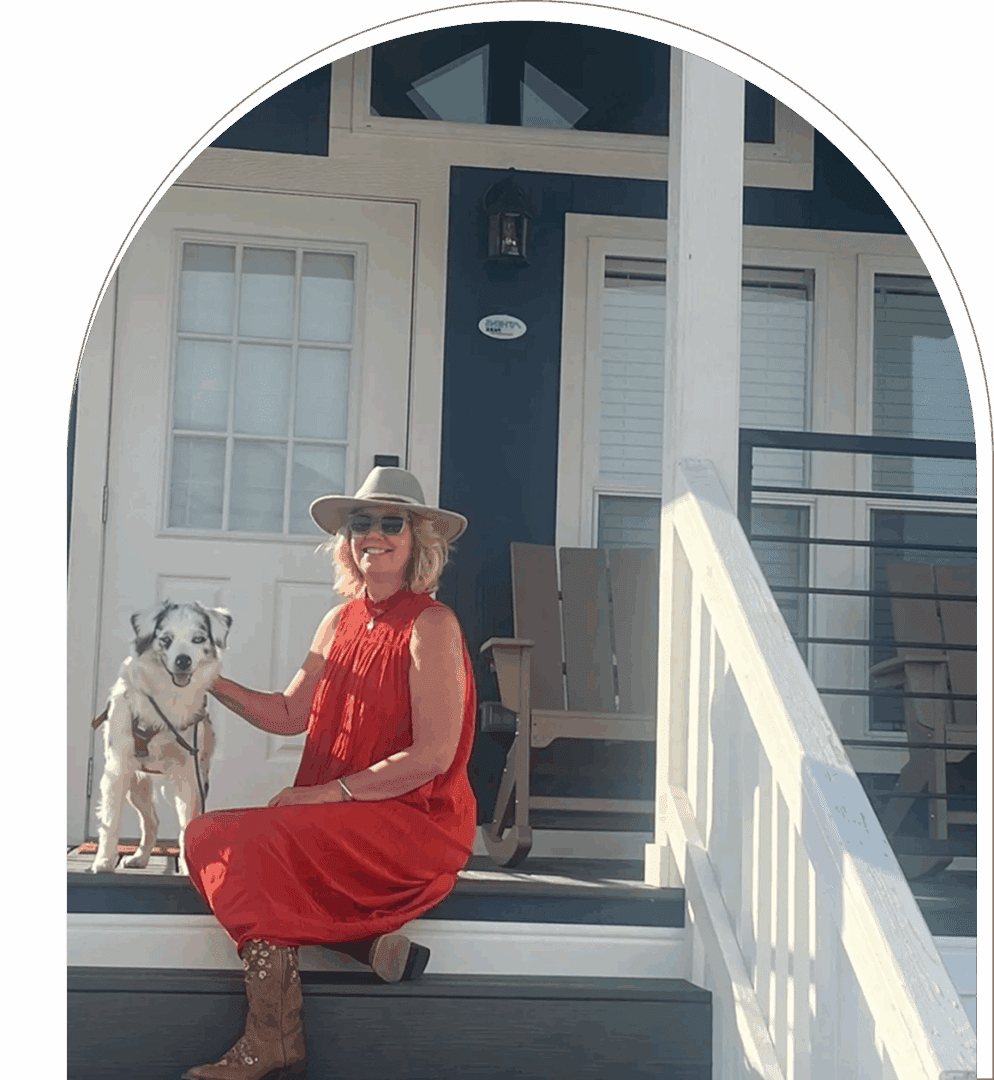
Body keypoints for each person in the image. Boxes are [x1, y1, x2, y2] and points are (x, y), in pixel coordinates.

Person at [179, 467, 477, 1080]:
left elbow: (432, 758)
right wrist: (210, 680)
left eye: (390, 523)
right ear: (346, 540)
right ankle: (358, 948)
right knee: (205, 835)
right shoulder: (337, 622)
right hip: (340, 816)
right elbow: (290, 714)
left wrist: (324, 793)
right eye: (360, 523)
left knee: (239, 842)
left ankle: (270, 1039)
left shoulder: (433, 625)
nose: (373, 535)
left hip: (410, 823)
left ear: (418, 537)